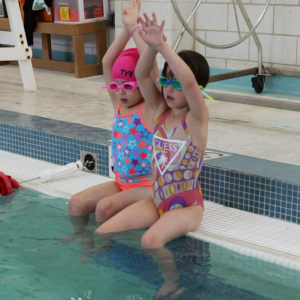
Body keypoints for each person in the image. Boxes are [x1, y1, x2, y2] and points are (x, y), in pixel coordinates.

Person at [96, 12, 211, 251]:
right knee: (102, 232)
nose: (168, 89)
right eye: (167, 82)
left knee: (150, 240)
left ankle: (172, 285)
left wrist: (163, 46)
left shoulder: (196, 119)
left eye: (175, 83)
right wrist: (151, 47)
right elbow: (141, 74)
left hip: (188, 207)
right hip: (157, 200)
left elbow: (188, 82)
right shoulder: (161, 110)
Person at [68, 0, 162, 224]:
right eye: (116, 85)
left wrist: (137, 32)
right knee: (76, 203)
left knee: (104, 208)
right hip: (120, 183)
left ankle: (109, 251)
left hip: (147, 185)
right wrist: (126, 30)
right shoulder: (118, 106)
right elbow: (107, 62)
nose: (121, 92)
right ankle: (82, 245)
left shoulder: (150, 107)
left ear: (141, 83)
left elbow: (151, 68)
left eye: (128, 86)